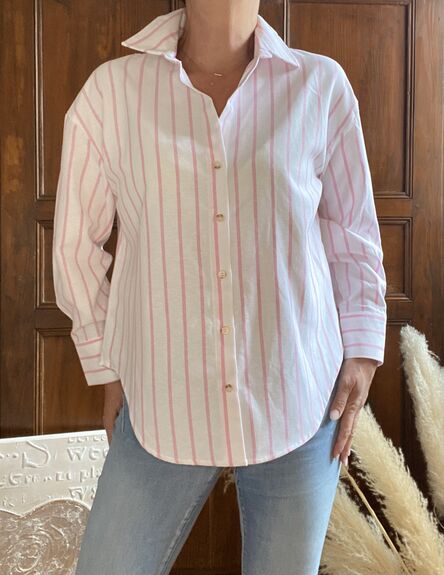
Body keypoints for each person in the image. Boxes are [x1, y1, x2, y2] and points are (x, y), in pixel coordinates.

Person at [52, 1, 387, 573]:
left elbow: (350, 230)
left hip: (298, 398)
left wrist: (362, 350)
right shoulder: (112, 95)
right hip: (163, 404)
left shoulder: (320, 86)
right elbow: (74, 246)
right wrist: (105, 363)